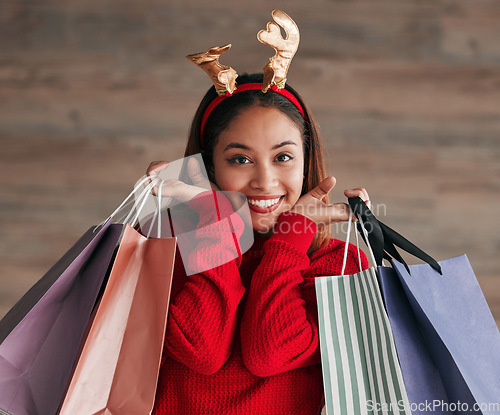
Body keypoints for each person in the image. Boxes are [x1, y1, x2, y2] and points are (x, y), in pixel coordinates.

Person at [147, 10, 370, 415]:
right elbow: (204, 352)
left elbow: (272, 353)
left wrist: (289, 240)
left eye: (283, 156)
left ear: (306, 162)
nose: (265, 182)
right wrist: (212, 222)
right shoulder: (164, 255)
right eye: (240, 160)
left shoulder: (338, 265)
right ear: (211, 166)